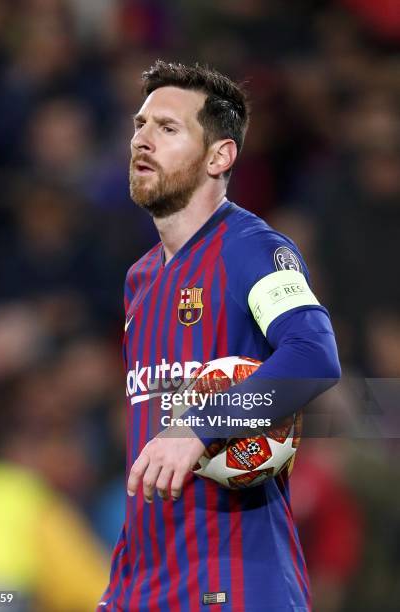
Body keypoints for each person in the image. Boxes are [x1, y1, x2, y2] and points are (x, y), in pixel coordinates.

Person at [99, 61, 341, 611]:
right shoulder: (138, 280)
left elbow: (313, 355)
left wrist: (200, 426)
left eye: (167, 128)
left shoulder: (253, 248)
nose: (142, 139)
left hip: (237, 582)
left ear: (219, 156)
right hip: (142, 584)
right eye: (140, 125)